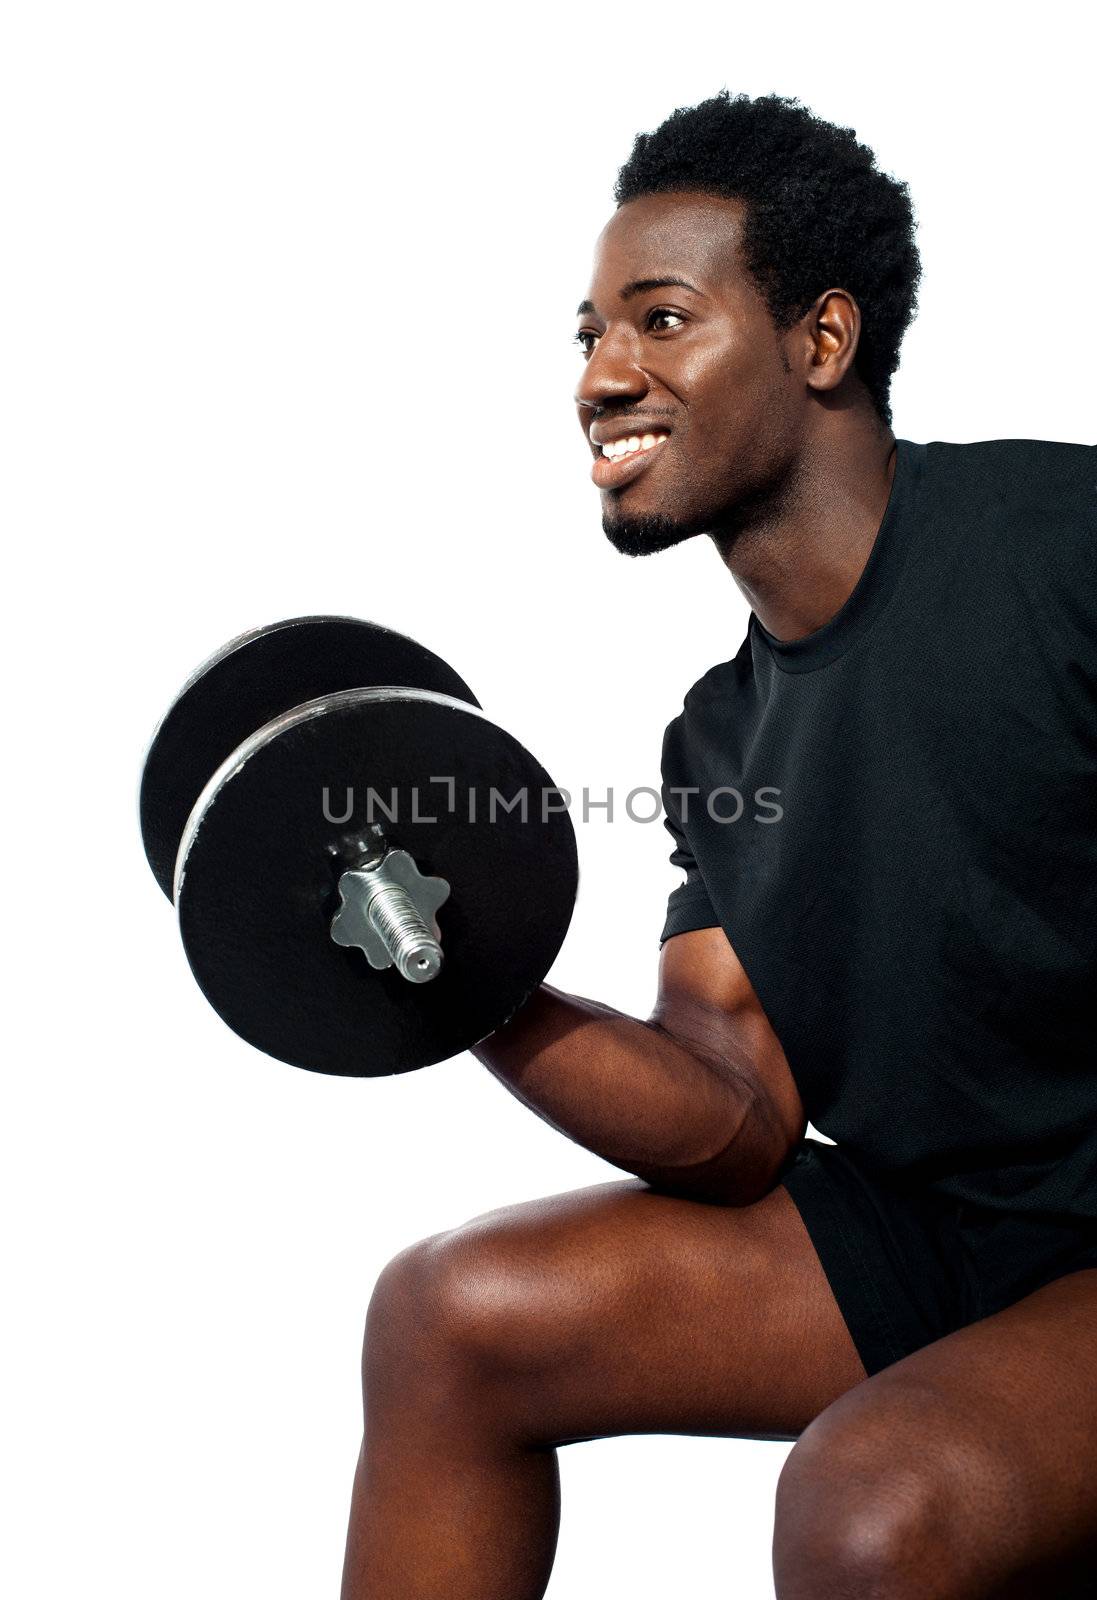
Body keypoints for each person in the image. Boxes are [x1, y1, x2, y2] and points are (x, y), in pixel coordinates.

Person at [340, 91, 1097, 1599]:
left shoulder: (1058, 547)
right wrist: (461, 978)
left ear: (819, 344)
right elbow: (733, 1117)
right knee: (449, 1315)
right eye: (587, 336)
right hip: (932, 1236)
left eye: (660, 320)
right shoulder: (718, 742)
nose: (600, 377)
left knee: (871, 1504)